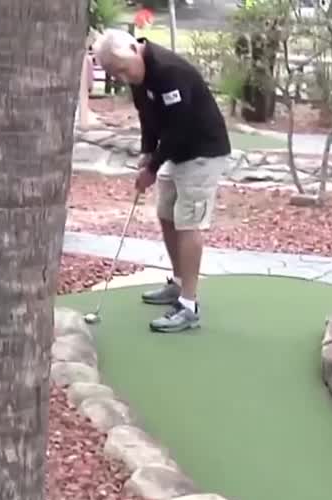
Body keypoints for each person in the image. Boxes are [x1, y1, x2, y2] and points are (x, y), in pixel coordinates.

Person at [92, 29, 232, 334]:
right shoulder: (138, 76)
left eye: (124, 69)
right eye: (117, 74)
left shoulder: (169, 71)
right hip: (176, 152)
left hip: (202, 151)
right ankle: (178, 283)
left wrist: (153, 167)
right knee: (166, 214)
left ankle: (188, 305)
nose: (125, 77)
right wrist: (146, 153)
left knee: (188, 222)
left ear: (134, 49)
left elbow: (179, 127)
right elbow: (148, 118)